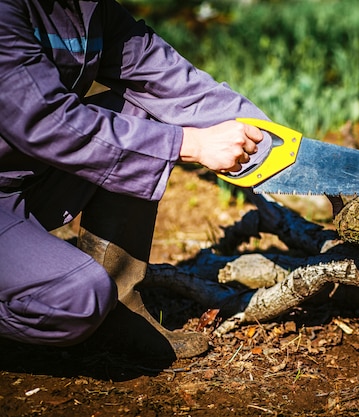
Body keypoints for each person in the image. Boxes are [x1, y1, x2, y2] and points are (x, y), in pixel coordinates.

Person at [0, 0, 272, 360]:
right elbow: (47, 122)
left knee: (149, 106)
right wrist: (188, 144)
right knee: (79, 298)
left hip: (24, 177)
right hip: (26, 163)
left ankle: (120, 310)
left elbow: (175, 84)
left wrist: (285, 151)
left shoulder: (90, 9)